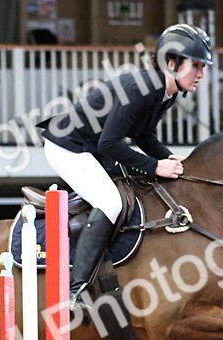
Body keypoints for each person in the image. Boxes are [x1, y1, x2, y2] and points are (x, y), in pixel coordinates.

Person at [37, 23, 213, 303]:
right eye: (196, 66)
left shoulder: (166, 91)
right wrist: (156, 166)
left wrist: (167, 158)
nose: (201, 74)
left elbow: (142, 134)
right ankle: (75, 289)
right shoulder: (140, 89)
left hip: (93, 147)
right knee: (111, 202)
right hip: (67, 146)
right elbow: (110, 143)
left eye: (203, 67)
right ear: (172, 63)